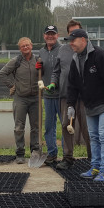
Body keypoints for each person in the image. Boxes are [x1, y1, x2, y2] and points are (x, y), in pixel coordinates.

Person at [66, 29, 104, 181]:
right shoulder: (75, 59)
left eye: (73, 40)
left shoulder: (100, 55)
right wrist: (71, 105)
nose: (71, 43)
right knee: (93, 137)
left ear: (83, 40)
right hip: (89, 105)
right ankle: (95, 167)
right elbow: (72, 85)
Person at [50, 20, 91, 169]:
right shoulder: (62, 50)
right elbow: (56, 71)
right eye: (71, 33)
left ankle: (92, 158)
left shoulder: (90, 51)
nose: (73, 36)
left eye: (76, 32)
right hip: (66, 95)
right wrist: (54, 82)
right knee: (66, 125)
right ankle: (68, 157)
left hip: (85, 96)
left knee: (87, 127)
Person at [0, 37, 40, 164]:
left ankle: (35, 151)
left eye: (27, 45)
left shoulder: (38, 60)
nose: (25, 47)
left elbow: (46, 73)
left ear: (31, 46)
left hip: (35, 99)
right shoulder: (15, 61)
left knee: (36, 127)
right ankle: (20, 153)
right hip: (20, 99)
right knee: (19, 127)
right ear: (20, 48)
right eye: (23, 46)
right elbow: (2, 73)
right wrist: (12, 86)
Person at [36, 25, 62, 168]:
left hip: (62, 94)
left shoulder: (64, 49)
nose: (50, 36)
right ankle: (52, 153)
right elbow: (41, 71)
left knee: (65, 125)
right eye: (48, 34)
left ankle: (67, 155)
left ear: (57, 35)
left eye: (53, 34)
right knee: (49, 126)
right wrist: (39, 68)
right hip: (48, 94)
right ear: (44, 36)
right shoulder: (41, 52)